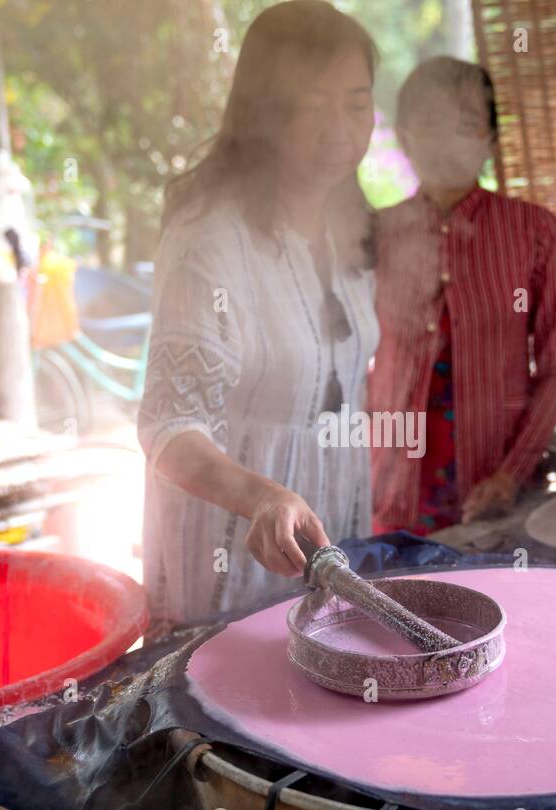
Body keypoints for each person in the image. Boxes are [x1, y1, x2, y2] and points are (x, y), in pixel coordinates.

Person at [138, 1, 379, 626]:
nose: (339, 130)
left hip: (329, 536)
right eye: (312, 105)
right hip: (229, 550)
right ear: (264, 113)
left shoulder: (350, 228)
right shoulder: (211, 240)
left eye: (356, 104)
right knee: (228, 710)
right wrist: (262, 497)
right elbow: (170, 425)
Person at [369, 57, 556, 536]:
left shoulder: (534, 231)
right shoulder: (375, 233)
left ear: (491, 139)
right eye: (433, 122)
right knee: (393, 603)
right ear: (405, 135)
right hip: (393, 488)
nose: (449, 137)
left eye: (465, 123)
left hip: (496, 492)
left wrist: (511, 473)